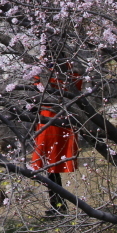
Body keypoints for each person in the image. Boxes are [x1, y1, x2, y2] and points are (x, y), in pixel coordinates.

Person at [31, 59, 80, 215]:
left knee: (50, 164)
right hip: (63, 116)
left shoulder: (48, 69)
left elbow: (39, 87)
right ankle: (57, 203)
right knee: (51, 165)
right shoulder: (71, 68)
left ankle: (58, 205)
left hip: (50, 118)